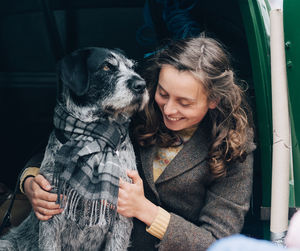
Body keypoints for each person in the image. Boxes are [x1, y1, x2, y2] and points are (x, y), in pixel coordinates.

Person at [19, 36, 256, 250]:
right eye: (163, 93)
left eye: (184, 102)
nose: (169, 110)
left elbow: (220, 243)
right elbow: (62, 146)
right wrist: (30, 182)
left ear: (213, 100)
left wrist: (145, 210)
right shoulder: (132, 110)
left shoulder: (233, 150)